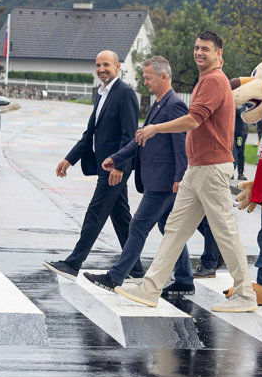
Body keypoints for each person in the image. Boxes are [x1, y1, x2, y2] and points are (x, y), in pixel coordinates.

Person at [116, 31, 257, 312]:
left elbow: (193, 120)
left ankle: (245, 294)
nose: (199, 52)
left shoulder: (214, 80)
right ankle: (150, 288)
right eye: (196, 48)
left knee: (225, 232)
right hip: (197, 168)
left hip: (211, 167)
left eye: (205, 49)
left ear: (219, 54)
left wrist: (155, 128)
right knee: (175, 229)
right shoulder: (207, 79)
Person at [81, 56, 197, 298]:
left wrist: (179, 177)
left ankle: (115, 276)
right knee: (169, 228)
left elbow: (181, 146)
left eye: (148, 78)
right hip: (157, 179)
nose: (145, 82)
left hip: (164, 181)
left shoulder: (174, 105)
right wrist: (116, 158)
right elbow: (140, 140)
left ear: (163, 77)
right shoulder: (157, 105)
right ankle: (185, 279)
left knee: (138, 226)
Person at [43, 50, 143, 281]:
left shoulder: (125, 93)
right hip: (105, 167)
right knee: (121, 218)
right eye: (98, 65)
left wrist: (119, 165)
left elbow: (130, 136)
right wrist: (69, 159)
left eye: (106, 64)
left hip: (114, 170)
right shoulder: (102, 94)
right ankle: (135, 267)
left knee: (95, 213)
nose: (101, 69)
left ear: (118, 67)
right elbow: (92, 133)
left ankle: (73, 263)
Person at [233, 103, 248, 180]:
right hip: (230, 131)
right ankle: (231, 171)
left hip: (241, 132)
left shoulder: (244, 101)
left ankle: (240, 172)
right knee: (231, 150)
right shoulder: (229, 98)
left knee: (240, 150)